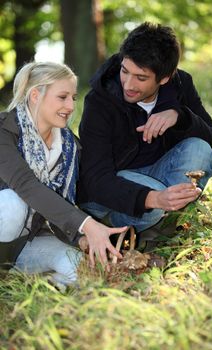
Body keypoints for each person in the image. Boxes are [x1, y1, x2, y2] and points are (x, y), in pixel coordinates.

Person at [78, 22, 212, 251]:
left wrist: (181, 116)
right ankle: (118, 231)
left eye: (141, 78)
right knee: (151, 203)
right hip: (114, 188)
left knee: (199, 149)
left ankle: (157, 229)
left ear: (164, 78)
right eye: (125, 71)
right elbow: (95, 179)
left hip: (161, 174)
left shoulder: (181, 84)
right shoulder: (100, 99)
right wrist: (153, 197)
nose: (128, 84)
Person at [0, 61, 127, 286]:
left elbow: (63, 203)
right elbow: (26, 185)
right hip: (5, 224)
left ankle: (32, 282)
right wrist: (87, 224)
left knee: (81, 271)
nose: (70, 106)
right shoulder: (3, 130)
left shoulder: (70, 147)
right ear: (35, 95)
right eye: (62, 97)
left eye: (73, 98)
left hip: (28, 243)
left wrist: (82, 239)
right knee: (13, 204)